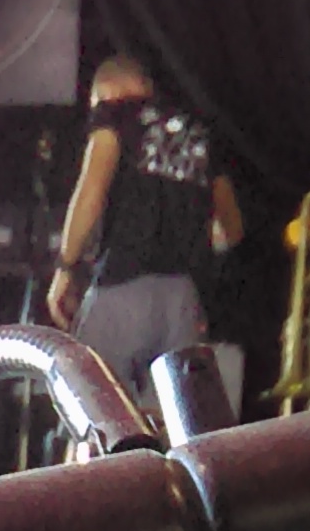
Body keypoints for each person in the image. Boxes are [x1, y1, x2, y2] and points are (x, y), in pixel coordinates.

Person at [45, 58, 242, 397]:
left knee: (97, 409)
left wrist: (65, 267)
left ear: (106, 92)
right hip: (183, 298)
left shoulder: (115, 116)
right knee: (176, 416)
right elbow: (232, 228)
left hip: (121, 286)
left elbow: (92, 191)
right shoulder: (201, 131)